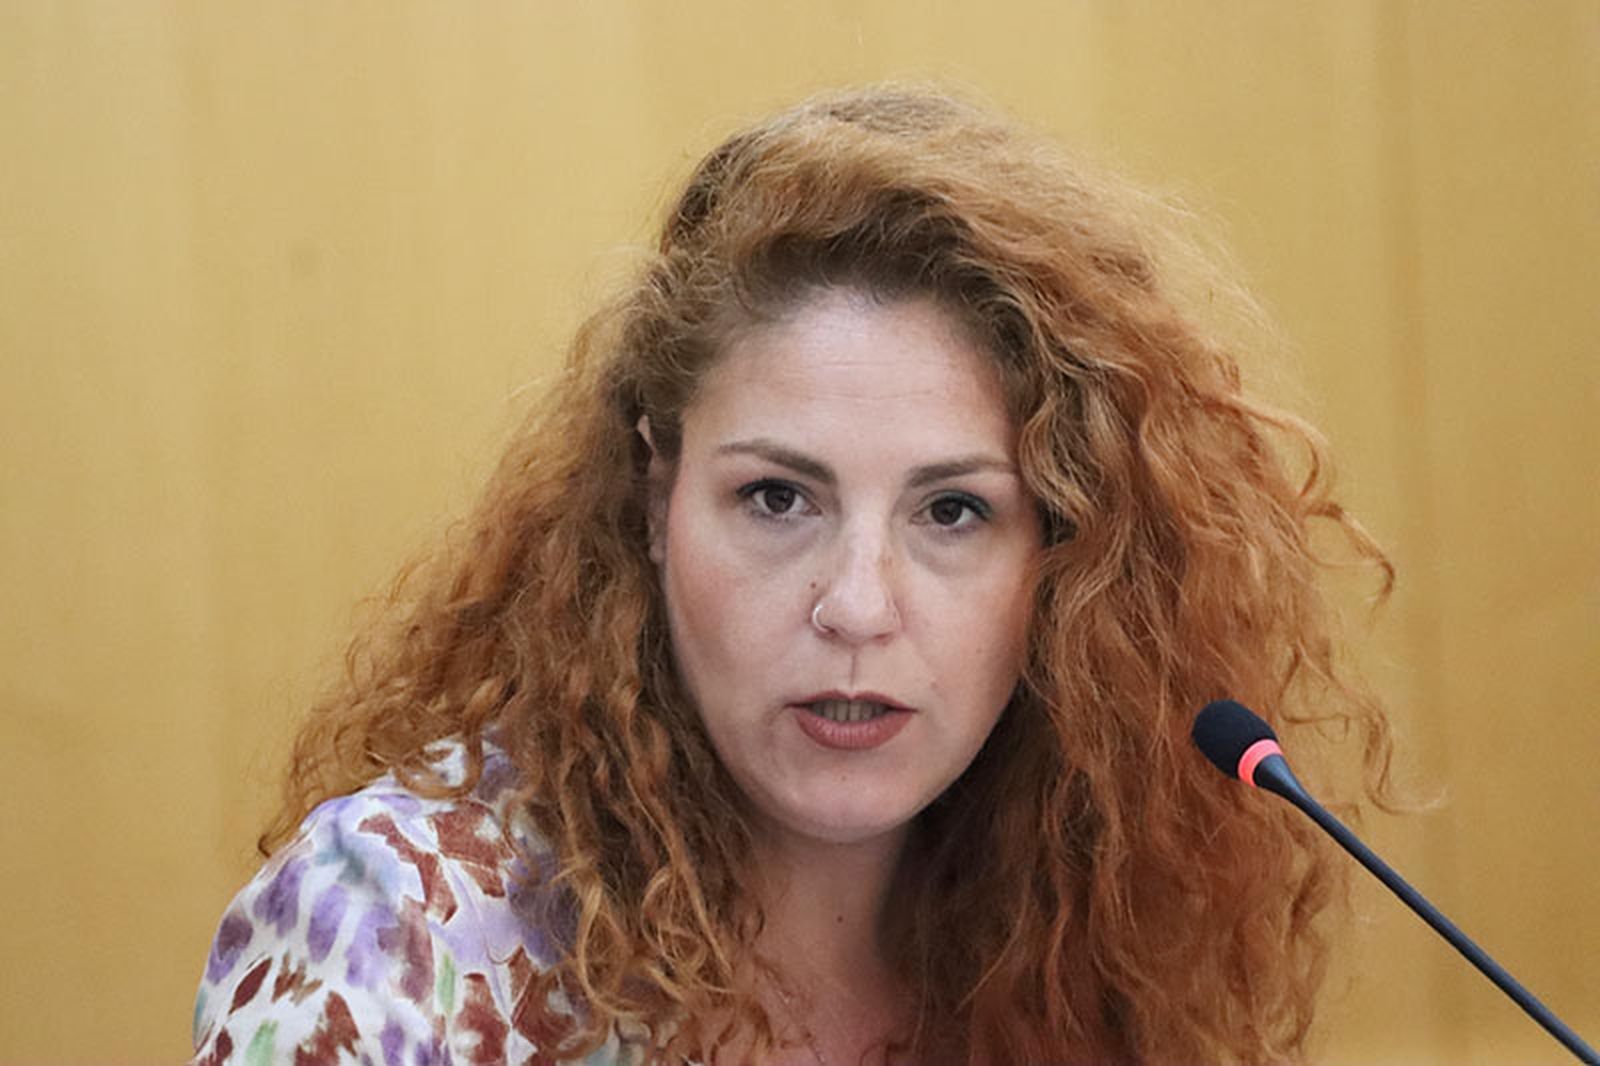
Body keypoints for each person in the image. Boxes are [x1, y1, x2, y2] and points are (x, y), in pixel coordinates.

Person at [189, 86, 1395, 1065]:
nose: (858, 606)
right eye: (777, 498)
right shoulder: (404, 925)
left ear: (1061, 564)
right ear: (658, 498)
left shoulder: (1085, 939)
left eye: (954, 510)